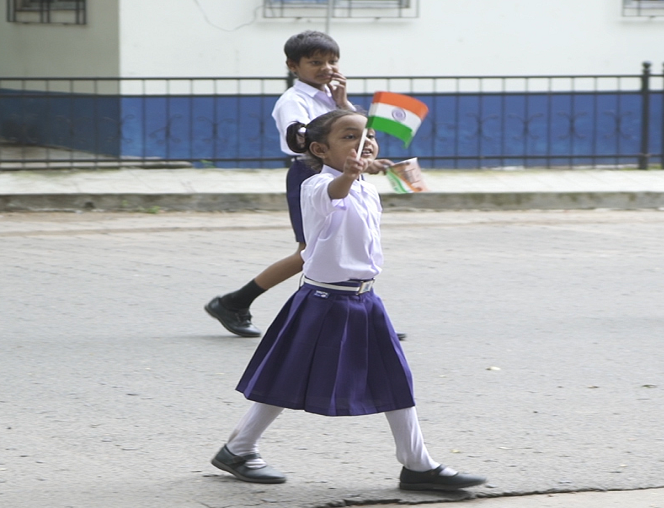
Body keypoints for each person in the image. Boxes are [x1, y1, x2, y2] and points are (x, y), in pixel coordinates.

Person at [210, 109, 486, 491]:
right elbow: (332, 193)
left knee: (395, 378)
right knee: (286, 378)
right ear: (321, 149)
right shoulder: (316, 186)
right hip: (324, 301)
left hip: (365, 300)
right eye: (349, 137)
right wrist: (350, 174)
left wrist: (361, 173)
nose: (364, 142)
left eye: (367, 136)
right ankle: (238, 449)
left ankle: (417, 464)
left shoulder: (366, 188)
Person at [204, 30, 356, 338]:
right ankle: (235, 302)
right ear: (293, 66)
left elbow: (358, 133)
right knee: (310, 251)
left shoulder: (330, 97)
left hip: (338, 175)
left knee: (347, 243)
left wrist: (342, 105)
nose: (326, 68)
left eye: (332, 61)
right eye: (316, 62)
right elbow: (297, 138)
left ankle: (360, 315)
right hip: (311, 176)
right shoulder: (294, 100)